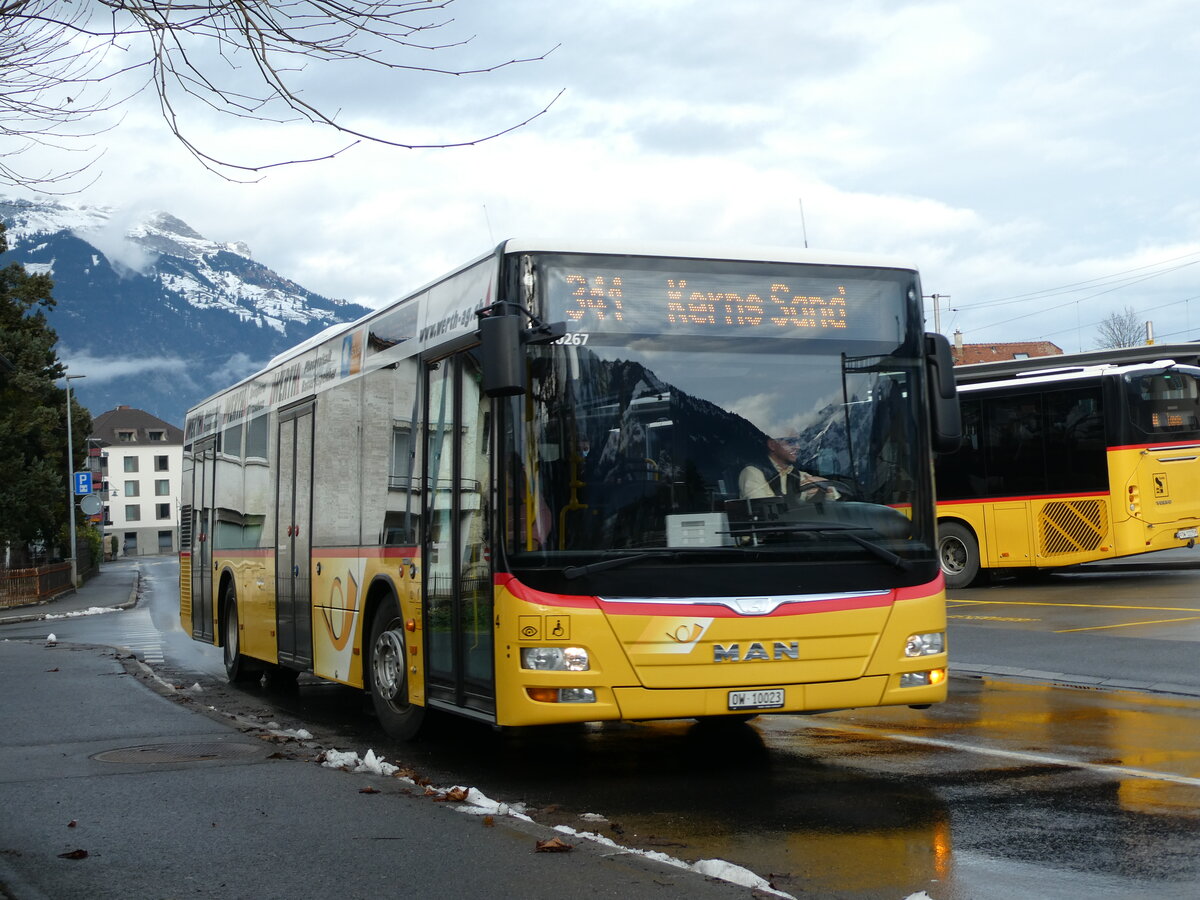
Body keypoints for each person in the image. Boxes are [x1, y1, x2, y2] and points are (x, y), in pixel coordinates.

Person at [739, 438, 840, 501]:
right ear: (772, 445)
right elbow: (764, 513)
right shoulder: (753, 473)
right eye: (791, 442)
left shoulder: (799, 475)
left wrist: (826, 486)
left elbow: (833, 504)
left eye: (798, 442)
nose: (797, 447)